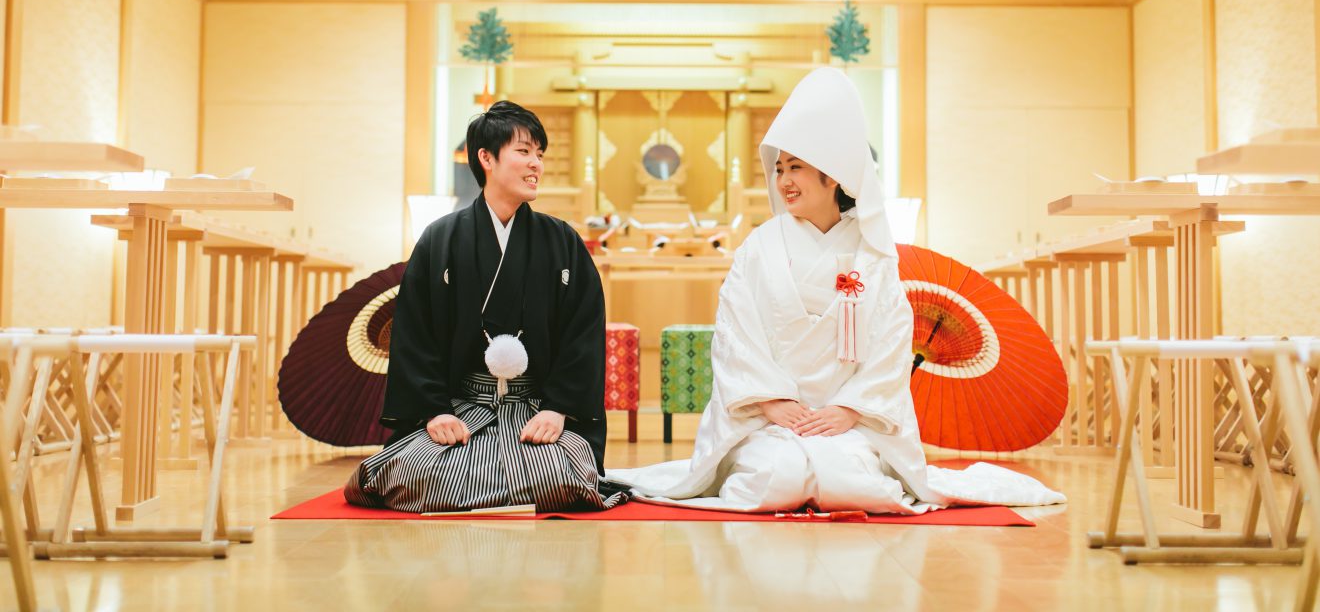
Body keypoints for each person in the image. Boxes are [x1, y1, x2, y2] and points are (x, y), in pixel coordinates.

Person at [609, 69, 1064, 513]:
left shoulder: (873, 254)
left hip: (847, 421)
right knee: (775, 478)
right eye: (779, 169)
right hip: (767, 419)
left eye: (797, 168)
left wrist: (849, 410)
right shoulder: (760, 246)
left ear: (834, 176)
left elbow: (891, 343)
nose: (784, 181)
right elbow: (734, 332)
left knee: (851, 480)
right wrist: (772, 401)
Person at [346, 101, 624, 512]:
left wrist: (558, 409)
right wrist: (434, 412)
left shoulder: (561, 241)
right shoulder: (440, 239)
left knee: (559, 475)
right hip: (462, 409)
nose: (536, 164)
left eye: (539, 154)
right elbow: (414, 333)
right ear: (486, 158)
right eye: (524, 151)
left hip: (535, 409)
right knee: (417, 474)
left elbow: (582, 333)